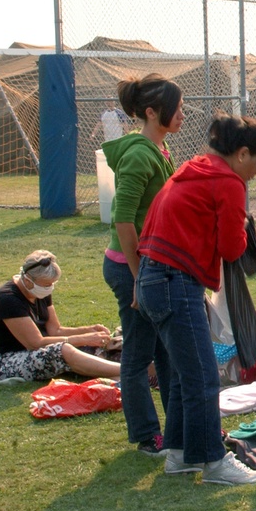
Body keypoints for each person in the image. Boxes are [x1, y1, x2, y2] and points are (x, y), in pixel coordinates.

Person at [136, 113, 256, 486]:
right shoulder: (228, 181)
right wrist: (245, 229)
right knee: (202, 376)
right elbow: (231, 248)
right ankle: (214, 461)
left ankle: (181, 453)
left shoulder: (197, 167)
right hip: (175, 279)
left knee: (185, 374)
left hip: (153, 278)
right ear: (242, 154)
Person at [102, 73, 184, 456]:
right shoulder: (138, 154)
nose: (182, 114)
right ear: (151, 113)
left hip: (152, 267)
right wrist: (138, 281)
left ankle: (177, 430)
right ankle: (147, 434)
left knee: (167, 353)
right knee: (138, 357)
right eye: (176, 109)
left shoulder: (161, 150)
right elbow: (123, 219)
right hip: (131, 268)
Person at [0, 250, 121, 381]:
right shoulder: (7, 300)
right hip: (7, 360)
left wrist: (90, 330)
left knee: (93, 345)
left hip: (37, 350)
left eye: (52, 284)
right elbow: (35, 343)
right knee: (63, 350)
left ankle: (115, 373)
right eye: (46, 285)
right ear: (28, 280)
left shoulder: (39, 291)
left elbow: (56, 330)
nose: (49, 288)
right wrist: (83, 338)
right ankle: (125, 371)